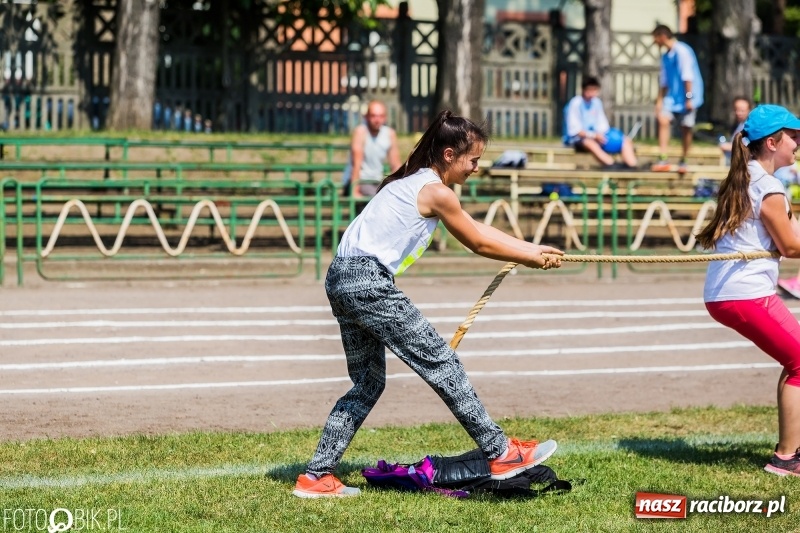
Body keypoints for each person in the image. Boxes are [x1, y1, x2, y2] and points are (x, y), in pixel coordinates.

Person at [293, 110, 564, 498]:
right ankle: (501, 452)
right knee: (442, 361)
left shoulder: (413, 181)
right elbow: (479, 242)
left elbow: (479, 229)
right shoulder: (436, 191)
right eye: (473, 160)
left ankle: (316, 477)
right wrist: (530, 258)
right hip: (367, 281)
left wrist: (533, 250)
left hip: (341, 278)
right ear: (450, 154)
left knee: (368, 383)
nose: (476, 168)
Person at [696, 104, 800, 477]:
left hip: (730, 292)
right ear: (772, 142)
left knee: (797, 360)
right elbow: (790, 247)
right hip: (745, 293)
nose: (798, 143)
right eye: (793, 137)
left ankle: (790, 450)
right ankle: (787, 458)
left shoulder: (748, 178)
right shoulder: (769, 187)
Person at [650, 24, 704, 174]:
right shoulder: (665, 56)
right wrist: (659, 101)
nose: (654, 42)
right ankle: (663, 157)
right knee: (663, 120)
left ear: (662, 36)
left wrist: (689, 98)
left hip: (688, 96)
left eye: (655, 38)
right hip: (672, 98)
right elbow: (664, 81)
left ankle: (684, 159)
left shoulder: (682, 51)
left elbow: (688, 76)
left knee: (686, 127)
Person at [563, 76, 638, 170]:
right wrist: (593, 135)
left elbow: (603, 125)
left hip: (597, 136)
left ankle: (632, 167)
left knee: (624, 140)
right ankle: (611, 165)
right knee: (589, 143)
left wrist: (604, 135)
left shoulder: (596, 103)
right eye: (589, 90)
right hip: (577, 139)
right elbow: (574, 130)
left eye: (594, 90)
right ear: (583, 89)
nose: (592, 93)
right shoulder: (575, 103)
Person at [341, 100, 401, 198]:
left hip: (376, 181)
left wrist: (400, 187)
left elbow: (395, 164)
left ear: (385, 118)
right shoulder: (360, 132)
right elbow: (356, 164)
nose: (377, 120)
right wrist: (354, 190)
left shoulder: (390, 134)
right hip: (359, 180)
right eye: (373, 116)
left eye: (380, 116)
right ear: (366, 117)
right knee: (379, 197)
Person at [719, 96, 752, 165]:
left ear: (749, 110)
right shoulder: (739, 124)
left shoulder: (749, 127)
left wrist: (729, 146)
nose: (739, 113)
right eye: (736, 110)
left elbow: (747, 147)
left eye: (742, 110)